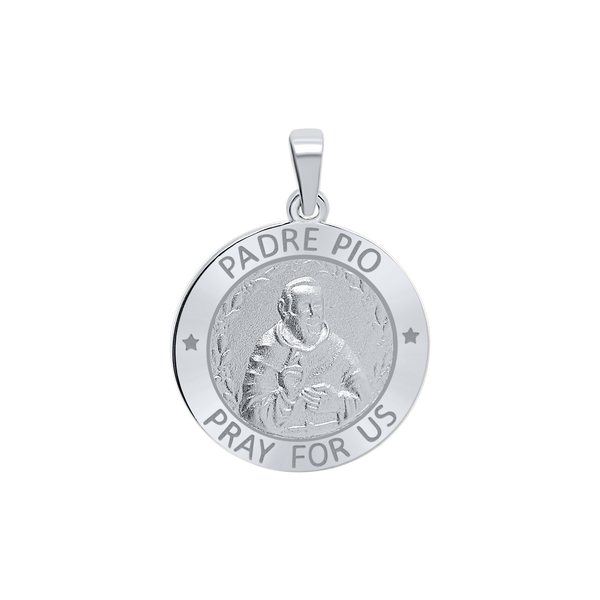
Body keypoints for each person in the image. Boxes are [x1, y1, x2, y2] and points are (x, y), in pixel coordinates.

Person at [239, 277, 372, 436]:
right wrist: (286, 396)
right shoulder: (269, 349)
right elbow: (252, 415)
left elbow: (366, 398)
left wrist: (336, 403)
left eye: (317, 305)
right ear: (284, 309)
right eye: (304, 306)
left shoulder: (337, 347)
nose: (313, 313)